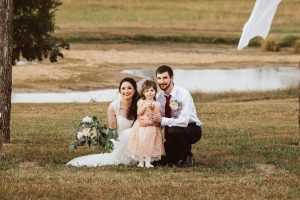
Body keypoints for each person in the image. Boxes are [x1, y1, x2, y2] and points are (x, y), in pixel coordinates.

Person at [67, 77, 139, 167]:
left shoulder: (139, 104)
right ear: (120, 91)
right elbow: (112, 129)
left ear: (135, 90)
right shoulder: (113, 107)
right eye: (123, 88)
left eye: (129, 88)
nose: (126, 91)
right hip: (120, 140)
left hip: (137, 140)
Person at [145, 65, 202, 167]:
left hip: (191, 129)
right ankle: (176, 156)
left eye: (165, 78)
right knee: (158, 161)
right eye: (159, 78)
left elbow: (184, 121)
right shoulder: (158, 97)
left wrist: (162, 120)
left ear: (171, 78)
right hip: (170, 133)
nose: (162, 81)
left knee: (173, 130)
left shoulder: (183, 93)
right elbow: (158, 122)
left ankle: (187, 155)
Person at [125, 80, 165, 168]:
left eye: (152, 90)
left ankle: (148, 161)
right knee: (141, 143)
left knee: (150, 144)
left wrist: (154, 110)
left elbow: (158, 114)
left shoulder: (157, 104)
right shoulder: (141, 102)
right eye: (147, 91)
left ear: (155, 92)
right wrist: (145, 106)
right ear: (143, 92)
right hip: (141, 126)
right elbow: (139, 113)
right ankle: (140, 161)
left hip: (152, 127)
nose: (149, 93)